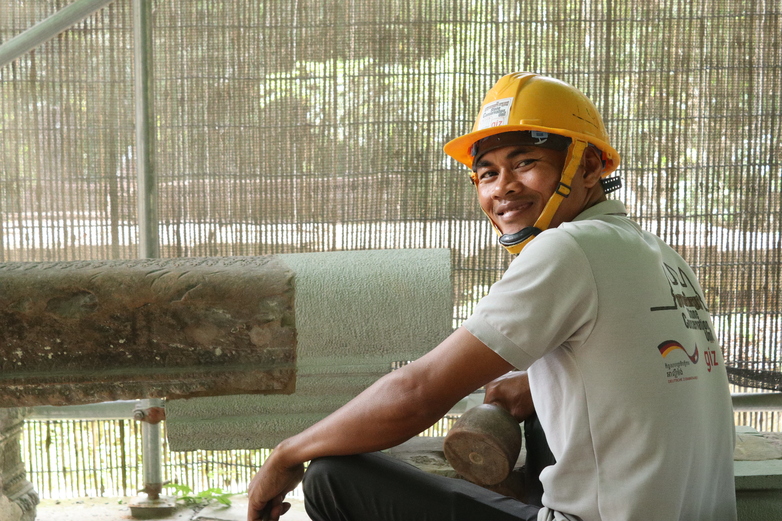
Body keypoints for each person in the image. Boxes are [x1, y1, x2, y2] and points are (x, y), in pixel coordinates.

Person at [247, 72, 737, 521]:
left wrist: (285, 452)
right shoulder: (655, 252)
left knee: (334, 478)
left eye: (526, 163)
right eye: (487, 173)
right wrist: (538, 383)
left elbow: (416, 395)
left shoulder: (568, 247)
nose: (504, 188)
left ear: (588, 167)